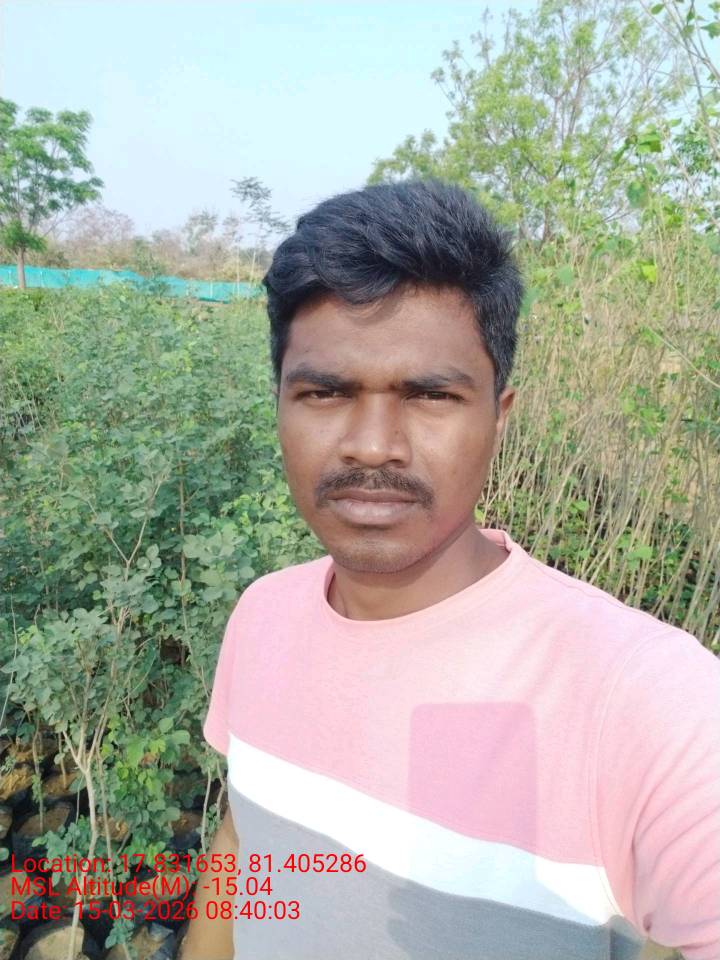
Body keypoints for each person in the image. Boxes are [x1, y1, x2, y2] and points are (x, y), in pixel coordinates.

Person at [180, 179, 720, 960]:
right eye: (325, 392)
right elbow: (243, 842)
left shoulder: (648, 699)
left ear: (499, 416)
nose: (373, 444)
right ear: (280, 405)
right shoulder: (263, 615)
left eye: (430, 395)